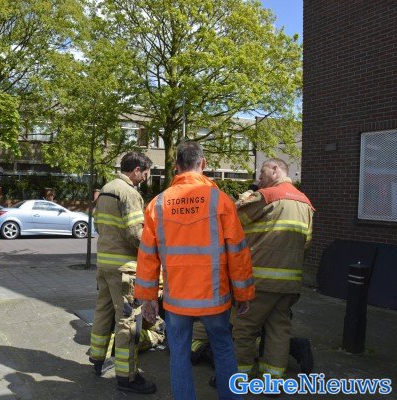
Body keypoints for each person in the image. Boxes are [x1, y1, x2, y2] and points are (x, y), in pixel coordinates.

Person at [135, 140, 255, 400]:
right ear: (204, 163)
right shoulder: (220, 201)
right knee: (223, 348)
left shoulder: (157, 204)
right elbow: (237, 252)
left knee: (179, 354)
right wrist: (243, 294)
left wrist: (147, 298)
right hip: (215, 298)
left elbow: (147, 256)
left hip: (177, 300)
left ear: (176, 165)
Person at [232, 158, 315, 382]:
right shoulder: (306, 203)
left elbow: (233, 219)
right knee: (279, 331)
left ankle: (239, 379)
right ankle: (273, 381)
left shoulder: (266, 196)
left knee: (244, 328)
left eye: (262, 171)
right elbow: (306, 243)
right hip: (289, 283)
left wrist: (244, 198)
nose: (259, 177)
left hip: (260, 281)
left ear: (276, 170)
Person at [88, 151, 159, 394]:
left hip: (104, 264)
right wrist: (153, 253)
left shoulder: (106, 189)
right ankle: (127, 377)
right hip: (124, 269)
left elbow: (99, 225)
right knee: (127, 321)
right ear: (137, 170)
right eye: (146, 173)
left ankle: (97, 359)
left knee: (103, 311)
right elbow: (135, 233)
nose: (146, 178)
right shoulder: (129, 193)